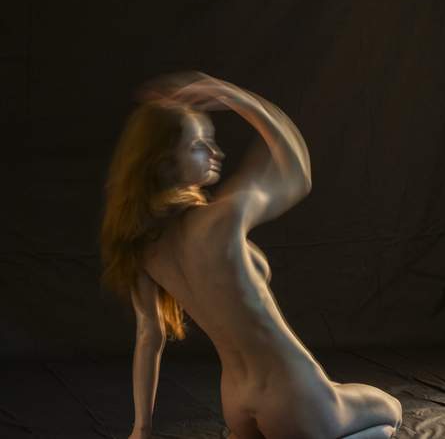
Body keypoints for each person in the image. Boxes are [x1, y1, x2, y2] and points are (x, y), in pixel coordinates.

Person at [99, 71, 403, 439]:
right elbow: (297, 172)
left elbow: (150, 336)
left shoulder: (143, 249)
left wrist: (141, 429)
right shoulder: (220, 220)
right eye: (199, 145)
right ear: (164, 164)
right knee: (390, 412)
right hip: (292, 395)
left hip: (236, 400)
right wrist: (234, 96)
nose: (216, 152)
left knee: (337, 400)